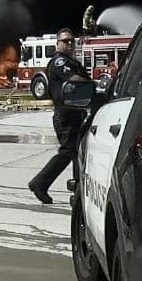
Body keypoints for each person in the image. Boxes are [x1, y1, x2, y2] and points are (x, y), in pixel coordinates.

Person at [28, 28, 92, 204]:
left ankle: (78, 187)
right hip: (65, 115)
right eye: (65, 41)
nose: (69, 43)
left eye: (71, 40)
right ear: (57, 44)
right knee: (68, 151)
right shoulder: (59, 62)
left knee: (77, 152)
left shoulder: (72, 61)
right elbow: (76, 80)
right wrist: (91, 85)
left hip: (76, 113)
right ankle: (40, 183)